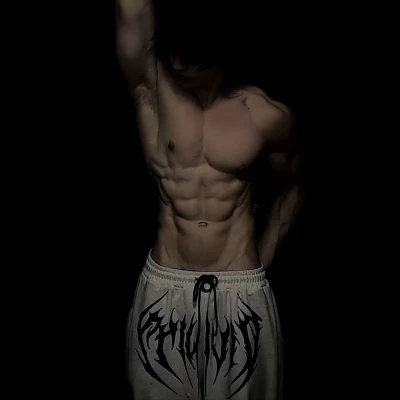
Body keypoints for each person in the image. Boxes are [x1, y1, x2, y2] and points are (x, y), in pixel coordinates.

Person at [117, 1, 303, 399]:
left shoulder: (264, 115)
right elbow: (132, 12)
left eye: (192, 57)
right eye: (174, 52)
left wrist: (262, 259)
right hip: (165, 287)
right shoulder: (152, 84)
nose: (178, 64)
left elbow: (293, 187)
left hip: (241, 292)